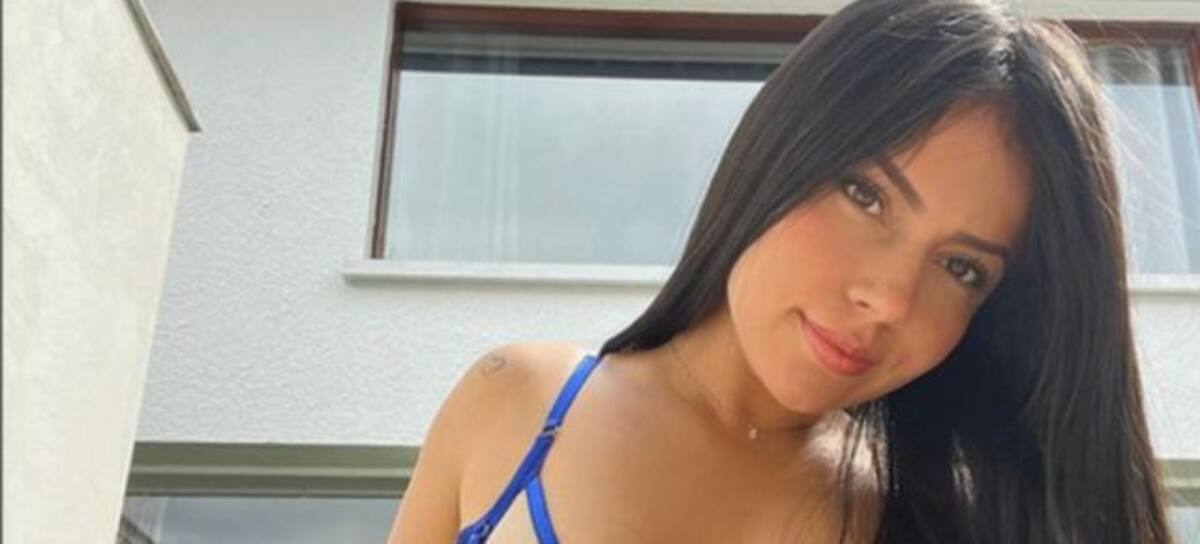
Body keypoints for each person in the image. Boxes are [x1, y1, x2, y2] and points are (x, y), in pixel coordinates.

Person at [388, 0, 1175, 541]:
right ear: (783, 148)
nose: (888, 299)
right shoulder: (519, 402)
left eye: (962, 268)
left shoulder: (935, 520)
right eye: (867, 195)